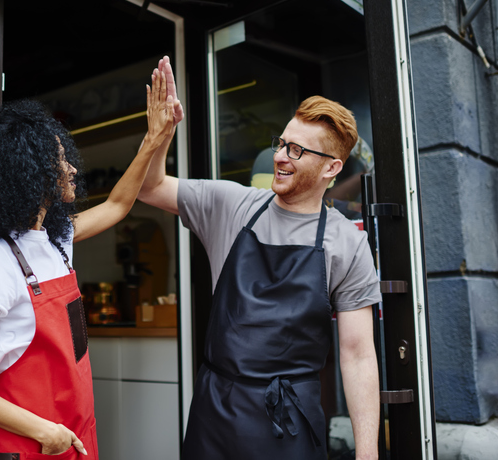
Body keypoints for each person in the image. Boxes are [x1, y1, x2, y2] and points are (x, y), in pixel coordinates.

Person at [0, 58, 181, 459]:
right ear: (30, 172)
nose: (71, 169)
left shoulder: (54, 240)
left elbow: (117, 204)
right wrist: (44, 430)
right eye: (61, 160)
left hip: (74, 435)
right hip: (25, 445)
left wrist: (155, 138)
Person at [138, 73, 381, 459]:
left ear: (331, 169)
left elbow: (357, 354)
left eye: (297, 151)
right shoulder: (230, 205)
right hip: (215, 409)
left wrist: (367, 454)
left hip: (289, 420)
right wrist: (159, 136)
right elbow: (149, 187)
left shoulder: (347, 244)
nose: (280, 156)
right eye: (281, 143)